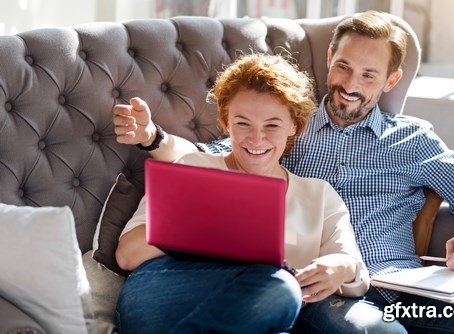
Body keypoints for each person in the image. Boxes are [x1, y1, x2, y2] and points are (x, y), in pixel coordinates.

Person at [114, 10, 454, 333]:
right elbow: (209, 160)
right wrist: (152, 137)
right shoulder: (282, 123)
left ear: (391, 80)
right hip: (321, 296)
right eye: (344, 67)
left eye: (368, 75)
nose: (350, 84)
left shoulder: (413, 140)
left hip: (401, 291)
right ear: (330, 57)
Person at [113, 53, 370, 333]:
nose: (256, 138)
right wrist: (214, 230)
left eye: (272, 125)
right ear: (226, 122)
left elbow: (355, 273)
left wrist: (342, 267)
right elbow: (128, 254)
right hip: (167, 289)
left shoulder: (319, 196)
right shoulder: (193, 167)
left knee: (279, 290)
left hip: (262, 304)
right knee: (280, 288)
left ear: (293, 125)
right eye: (243, 123)